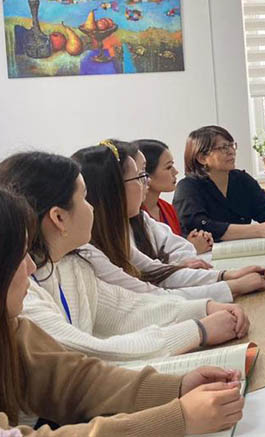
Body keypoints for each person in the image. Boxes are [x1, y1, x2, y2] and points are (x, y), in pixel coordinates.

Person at [0, 185, 245, 435]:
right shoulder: (27, 303)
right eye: (20, 256)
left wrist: (176, 387)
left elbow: (74, 379)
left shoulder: (18, 319)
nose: (30, 267)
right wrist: (177, 418)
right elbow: (94, 352)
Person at [0, 152, 247, 362]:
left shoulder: (72, 265)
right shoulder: (22, 291)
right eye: (84, 198)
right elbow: (89, 353)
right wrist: (199, 329)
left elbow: (129, 308)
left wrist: (203, 308)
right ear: (59, 218)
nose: (91, 206)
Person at [74, 142, 265, 302]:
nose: (146, 182)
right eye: (140, 176)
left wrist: (226, 275)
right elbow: (152, 295)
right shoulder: (90, 251)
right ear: (112, 189)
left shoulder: (130, 225)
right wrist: (232, 285)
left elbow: (157, 270)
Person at [174, 125, 265, 241]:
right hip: (207, 252)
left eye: (231, 145)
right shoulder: (187, 187)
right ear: (202, 158)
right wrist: (258, 230)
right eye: (223, 148)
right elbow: (199, 225)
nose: (231, 151)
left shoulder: (241, 179)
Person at [135, 138, 213, 255]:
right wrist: (191, 247)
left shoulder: (167, 208)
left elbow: (177, 244)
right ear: (145, 174)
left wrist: (198, 239)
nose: (175, 171)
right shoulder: (134, 214)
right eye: (168, 167)